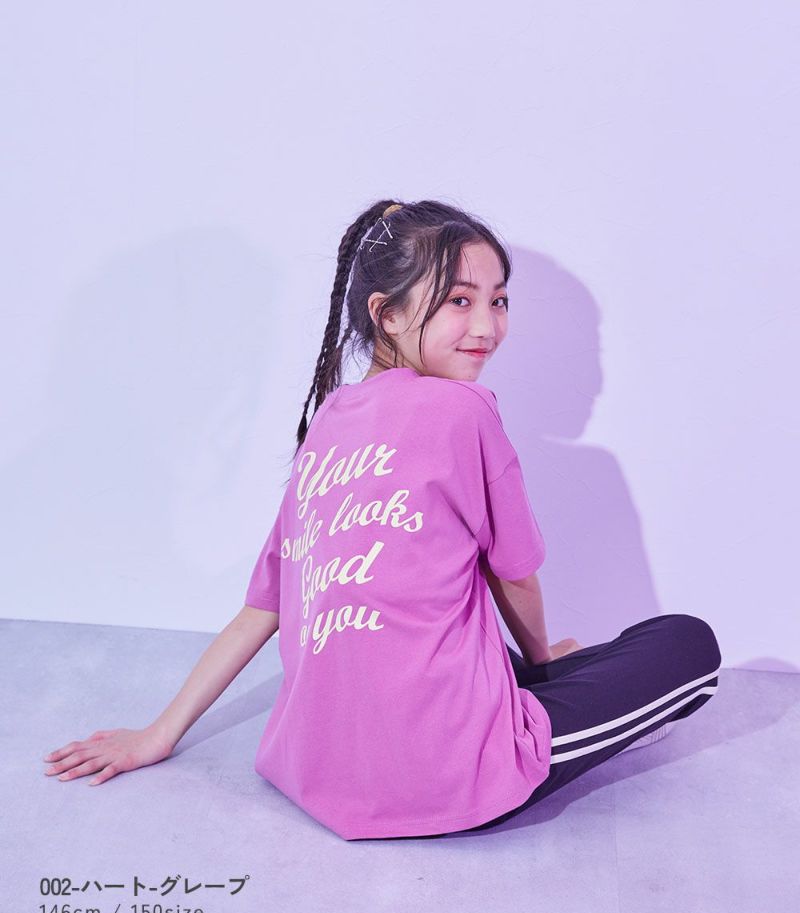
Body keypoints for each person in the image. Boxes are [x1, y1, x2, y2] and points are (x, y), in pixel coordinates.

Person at [42, 199, 722, 841]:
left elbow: (262, 609)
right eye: (459, 300)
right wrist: (546, 666)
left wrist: (158, 734)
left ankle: (531, 679)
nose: (487, 327)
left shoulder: (329, 422)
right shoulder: (464, 412)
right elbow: (514, 574)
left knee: (477, 642)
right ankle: (539, 694)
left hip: (313, 771)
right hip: (450, 776)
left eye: (499, 300)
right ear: (386, 314)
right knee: (686, 643)